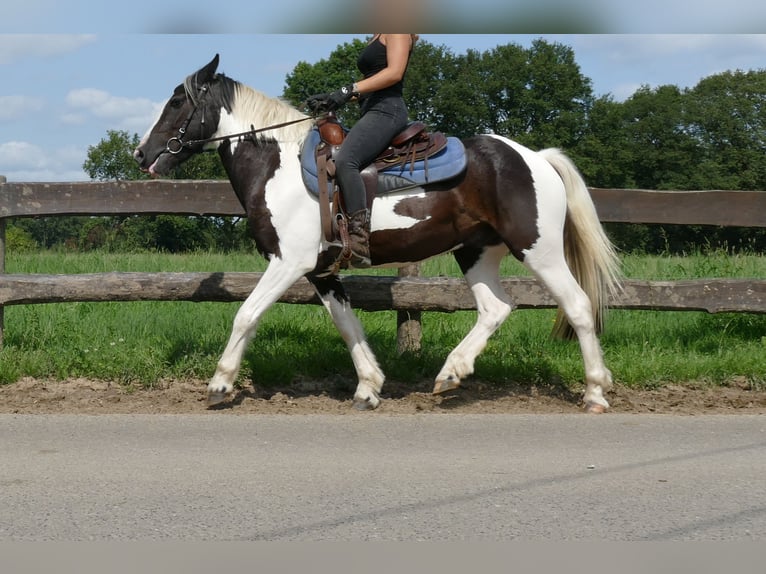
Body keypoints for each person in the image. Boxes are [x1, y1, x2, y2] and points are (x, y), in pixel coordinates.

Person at [306, 33, 417, 268]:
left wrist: (348, 89)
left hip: (387, 111)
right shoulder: (379, 33)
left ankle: (359, 238)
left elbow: (394, 73)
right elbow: (372, 81)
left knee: (346, 160)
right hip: (371, 109)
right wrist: (333, 98)